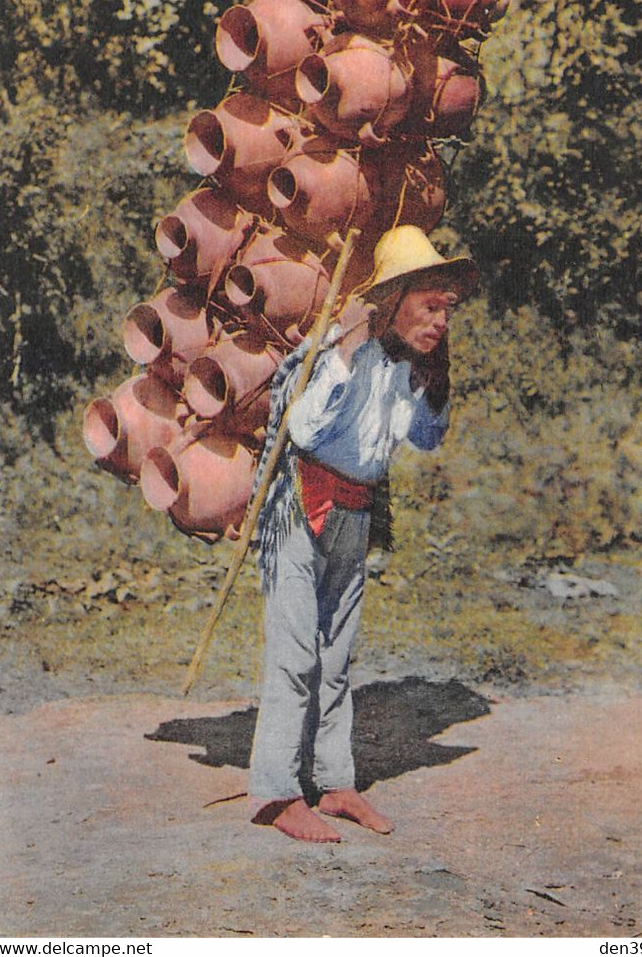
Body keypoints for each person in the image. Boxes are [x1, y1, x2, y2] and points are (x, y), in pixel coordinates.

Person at [248, 225, 479, 842]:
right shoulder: (341, 347)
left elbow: (425, 439)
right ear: (395, 297)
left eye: (447, 310)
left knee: (338, 654)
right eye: (430, 306)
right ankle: (275, 793)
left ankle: (336, 783)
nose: (440, 320)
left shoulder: (409, 366)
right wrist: (346, 352)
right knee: (296, 654)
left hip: (354, 512)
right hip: (300, 506)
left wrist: (436, 382)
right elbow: (303, 429)